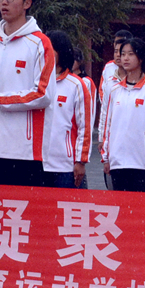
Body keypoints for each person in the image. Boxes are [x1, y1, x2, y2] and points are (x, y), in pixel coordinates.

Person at [0, 0, 57, 190]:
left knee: (22, 209)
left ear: (27, 3)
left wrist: (0, 99)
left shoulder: (39, 43)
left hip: (23, 150)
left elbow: (43, 94)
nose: (4, 2)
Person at [100, 36, 145, 192]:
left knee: (141, 205)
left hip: (141, 162)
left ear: (140, 58)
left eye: (130, 54)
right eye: (123, 54)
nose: (125, 58)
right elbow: (108, 124)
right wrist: (106, 157)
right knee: (119, 204)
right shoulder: (115, 90)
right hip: (117, 161)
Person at [41, 31, 92, 188]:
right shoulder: (36, 82)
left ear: (62, 51)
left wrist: (81, 161)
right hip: (37, 162)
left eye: (51, 49)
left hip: (65, 166)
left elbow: (85, 126)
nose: (46, 53)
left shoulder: (76, 85)